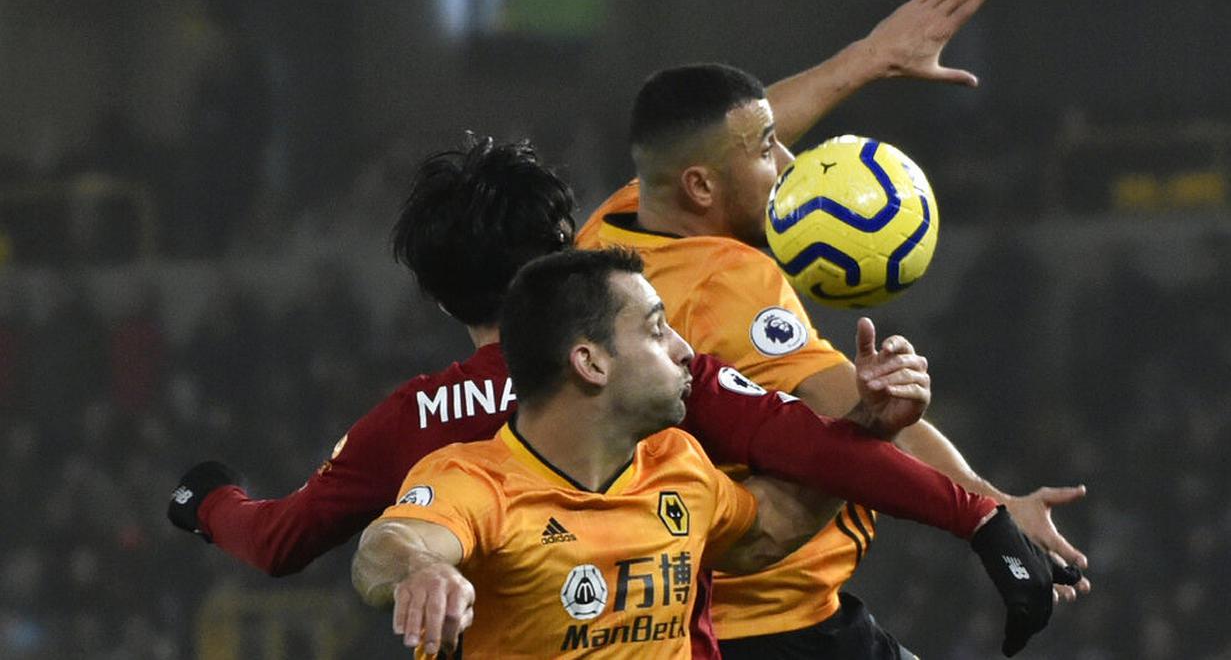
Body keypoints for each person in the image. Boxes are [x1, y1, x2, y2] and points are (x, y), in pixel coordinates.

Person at [169, 137, 1071, 657]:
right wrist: (979, 521)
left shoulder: (409, 421)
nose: (674, 344)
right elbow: (803, 450)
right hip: (776, 631)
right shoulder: (647, 377)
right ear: (571, 263)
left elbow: (281, 538)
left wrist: (207, 499)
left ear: (440, 298)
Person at [575, 4, 1093, 660]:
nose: (789, 162)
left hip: (681, 613)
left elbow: (728, 135)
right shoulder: (725, 287)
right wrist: (995, 507)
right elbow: (854, 421)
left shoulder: (615, 224)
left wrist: (867, 58)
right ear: (702, 185)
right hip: (771, 625)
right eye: (767, 152)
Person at [350, 248, 1066, 658]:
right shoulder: (474, 480)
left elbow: (765, 534)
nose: (685, 350)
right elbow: (391, 542)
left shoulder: (677, 467)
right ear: (590, 363)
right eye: (657, 330)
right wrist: (421, 570)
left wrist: (866, 429)